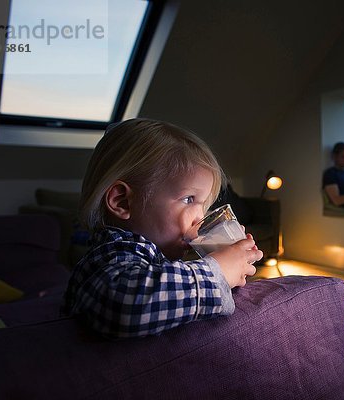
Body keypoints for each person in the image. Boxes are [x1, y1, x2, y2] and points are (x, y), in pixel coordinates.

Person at [61, 118, 262, 339]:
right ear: (123, 202)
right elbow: (125, 304)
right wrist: (217, 273)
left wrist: (228, 267)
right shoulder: (113, 253)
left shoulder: (156, 258)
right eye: (188, 199)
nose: (200, 218)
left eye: (204, 205)